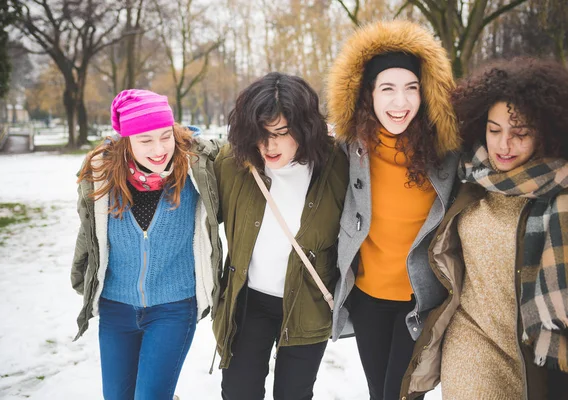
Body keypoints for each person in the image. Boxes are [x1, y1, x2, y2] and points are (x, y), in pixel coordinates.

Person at [401, 58, 568, 400]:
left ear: (546, 132)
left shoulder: (559, 195)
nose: (503, 145)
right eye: (494, 130)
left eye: (519, 134)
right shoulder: (470, 175)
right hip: (471, 337)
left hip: (535, 349)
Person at [326, 20, 460, 400]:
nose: (400, 103)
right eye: (387, 89)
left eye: (411, 89)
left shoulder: (447, 154)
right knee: (378, 393)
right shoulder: (350, 149)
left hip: (419, 303)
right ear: (368, 94)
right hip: (366, 297)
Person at [70, 89, 222, 399]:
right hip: (116, 309)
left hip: (174, 308)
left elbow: (246, 150)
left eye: (165, 136)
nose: (159, 149)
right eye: (145, 140)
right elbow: (89, 232)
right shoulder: (101, 176)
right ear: (126, 140)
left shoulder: (196, 167)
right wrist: (80, 275)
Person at [212, 72, 349, 400]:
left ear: (304, 128)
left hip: (308, 303)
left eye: (281, 133)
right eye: (259, 134)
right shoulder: (233, 165)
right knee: (238, 392)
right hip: (248, 303)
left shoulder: (336, 166)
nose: (268, 145)